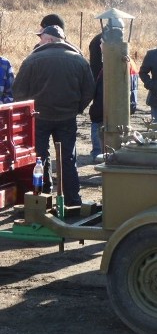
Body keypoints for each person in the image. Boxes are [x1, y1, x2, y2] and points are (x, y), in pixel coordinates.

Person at [13, 25, 94, 206]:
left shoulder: (32, 60)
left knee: (39, 158)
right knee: (68, 158)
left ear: (48, 40)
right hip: (67, 117)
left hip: (39, 117)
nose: (39, 41)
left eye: (41, 37)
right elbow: (89, 90)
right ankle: (72, 200)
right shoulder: (79, 60)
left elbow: (18, 91)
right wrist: (76, 108)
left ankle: (42, 199)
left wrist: (31, 110)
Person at [88, 37, 139, 162]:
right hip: (122, 105)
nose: (100, 46)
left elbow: (107, 90)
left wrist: (96, 110)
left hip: (110, 106)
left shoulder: (114, 63)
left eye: (102, 43)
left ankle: (98, 155)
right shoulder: (127, 61)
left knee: (98, 126)